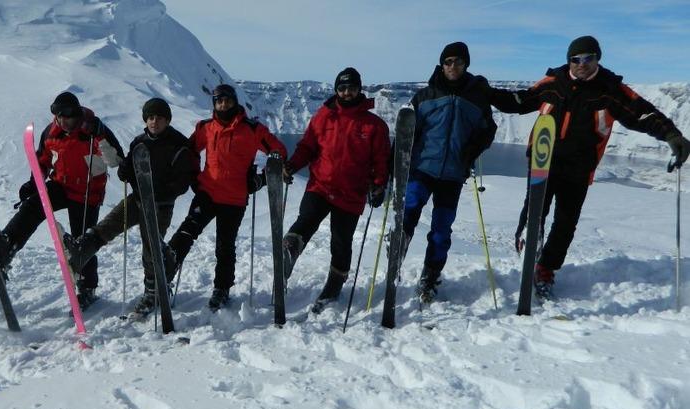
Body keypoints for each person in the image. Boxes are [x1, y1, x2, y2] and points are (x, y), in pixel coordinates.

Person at [489, 35, 690, 299]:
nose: (582, 64)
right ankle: (528, 249)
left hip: (579, 168)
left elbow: (643, 114)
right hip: (543, 162)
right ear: (568, 61)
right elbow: (519, 101)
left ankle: (546, 268)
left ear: (597, 59)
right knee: (534, 212)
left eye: (588, 58)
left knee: (565, 224)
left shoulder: (610, 90)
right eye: (576, 59)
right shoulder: (553, 82)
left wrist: (671, 135)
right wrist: (486, 93)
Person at [65, 98, 199, 319]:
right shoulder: (139, 142)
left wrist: (161, 193)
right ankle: (81, 251)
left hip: (160, 206)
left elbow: (182, 183)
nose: (154, 122)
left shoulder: (179, 145)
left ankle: (154, 291)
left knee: (150, 248)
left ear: (167, 120)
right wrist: (125, 171)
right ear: (146, 119)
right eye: (150, 117)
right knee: (108, 225)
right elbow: (128, 167)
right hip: (137, 199)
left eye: (159, 118)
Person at [0, 91, 124, 309]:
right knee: (33, 205)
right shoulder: (52, 132)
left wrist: (100, 137)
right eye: (59, 116)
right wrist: (34, 183)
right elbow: (42, 161)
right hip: (61, 184)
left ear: (78, 113)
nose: (63, 121)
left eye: (68, 116)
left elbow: (116, 160)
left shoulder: (94, 130)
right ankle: (7, 245)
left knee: (82, 240)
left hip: (87, 192)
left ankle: (87, 287)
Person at [164, 84, 287, 311]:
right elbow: (190, 151)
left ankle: (222, 288)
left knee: (225, 246)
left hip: (234, 198)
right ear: (214, 104)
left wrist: (259, 180)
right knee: (187, 231)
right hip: (207, 193)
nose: (223, 105)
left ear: (234, 101)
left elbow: (278, 152)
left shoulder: (252, 129)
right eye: (219, 101)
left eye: (227, 100)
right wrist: (193, 176)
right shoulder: (206, 128)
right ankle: (164, 271)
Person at [281, 67, 391, 310]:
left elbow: (381, 161)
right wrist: (292, 165)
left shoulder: (375, 126)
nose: (347, 92)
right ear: (336, 90)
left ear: (359, 89)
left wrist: (378, 185)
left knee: (341, 242)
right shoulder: (324, 116)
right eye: (342, 88)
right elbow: (307, 146)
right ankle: (289, 250)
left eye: (352, 88)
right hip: (320, 185)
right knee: (306, 219)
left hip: (350, 193)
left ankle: (334, 286)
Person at [403, 42, 497, 303]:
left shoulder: (476, 98)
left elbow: (488, 130)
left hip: (453, 175)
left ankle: (430, 276)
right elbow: (406, 132)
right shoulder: (425, 96)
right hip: (422, 169)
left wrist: (471, 151)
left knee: (441, 230)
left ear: (466, 64)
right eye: (448, 62)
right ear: (441, 65)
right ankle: (399, 245)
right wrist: (394, 166)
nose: (452, 66)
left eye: (457, 61)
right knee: (410, 207)